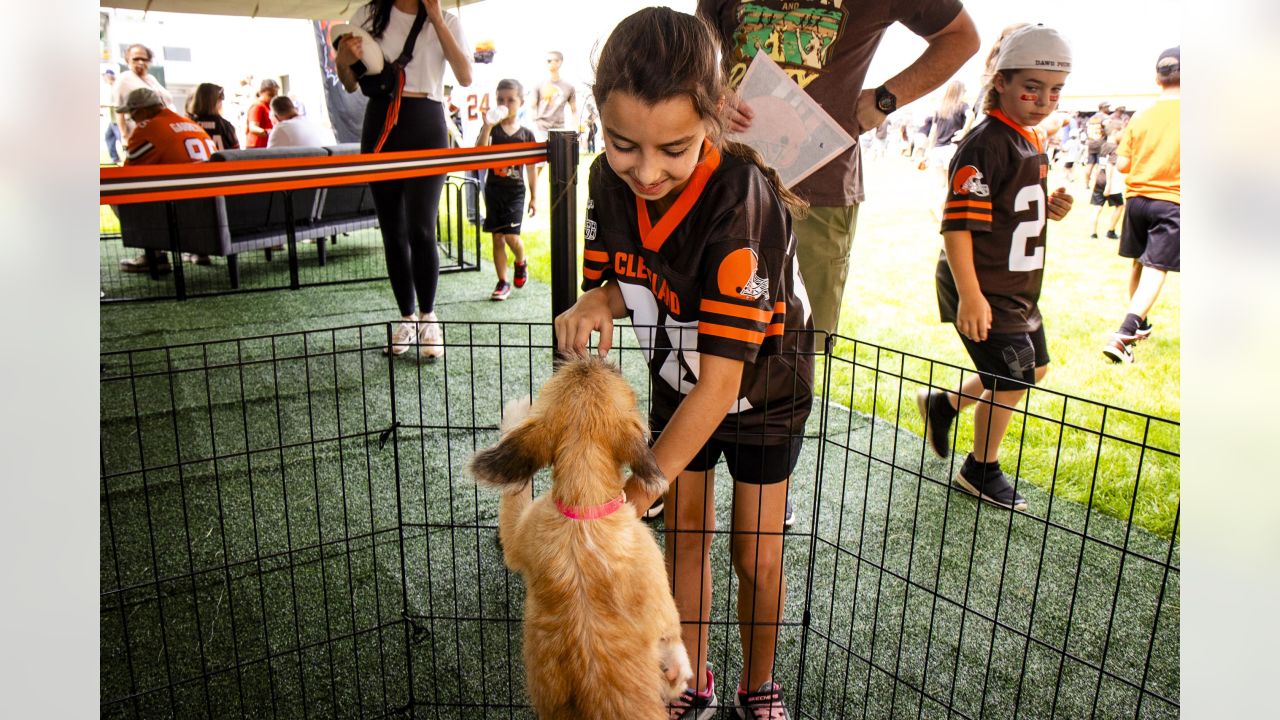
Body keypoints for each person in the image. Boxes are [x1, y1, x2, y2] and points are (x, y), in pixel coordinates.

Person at [554, 9, 814, 719]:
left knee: (755, 555)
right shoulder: (608, 185)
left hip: (760, 393)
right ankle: (687, 682)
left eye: (672, 148)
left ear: (714, 116)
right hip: (677, 378)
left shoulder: (740, 201)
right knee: (688, 537)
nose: (645, 170)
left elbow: (725, 381)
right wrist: (596, 301)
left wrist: (638, 491)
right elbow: (631, 277)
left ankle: (758, 687)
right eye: (621, 144)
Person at [698, 0, 979, 338]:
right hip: (724, 175)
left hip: (817, 188)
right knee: (710, 324)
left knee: (800, 338)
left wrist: (886, 99)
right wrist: (712, 90)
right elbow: (697, 49)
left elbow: (961, 36)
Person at [916, 25, 1075, 513]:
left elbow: (1006, 204)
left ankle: (943, 405)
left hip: (1016, 285)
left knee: (1034, 368)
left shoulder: (1026, 137)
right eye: (1032, 87)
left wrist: (1048, 205)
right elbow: (958, 227)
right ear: (1001, 81)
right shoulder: (987, 142)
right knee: (1011, 378)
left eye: (1055, 90)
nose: (1044, 99)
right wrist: (971, 294)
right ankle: (980, 469)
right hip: (986, 283)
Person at [335, 0, 472, 358]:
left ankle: (429, 316)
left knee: (422, 227)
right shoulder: (367, 14)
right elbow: (350, 83)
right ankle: (407, 318)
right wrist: (343, 61)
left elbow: (465, 76)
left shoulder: (448, 19)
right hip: (381, 123)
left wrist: (438, 18)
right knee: (392, 230)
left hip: (427, 119)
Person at [1102, 47, 1180, 364]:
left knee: (1138, 262)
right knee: (1155, 266)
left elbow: (1122, 164)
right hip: (1172, 201)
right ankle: (1126, 332)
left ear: (1156, 78)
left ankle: (1142, 323)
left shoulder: (1142, 115)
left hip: (1137, 200)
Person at [116, 88, 219, 274]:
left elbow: (128, 175)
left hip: (181, 211)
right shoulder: (190, 124)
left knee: (116, 194)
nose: (132, 119)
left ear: (143, 110)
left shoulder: (148, 128)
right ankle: (198, 250)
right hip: (213, 209)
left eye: (132, 114)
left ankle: (154, 255)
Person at [477, 79, 536, 301]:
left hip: (515, 192)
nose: (505, 103)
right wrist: (487, 125)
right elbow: (479, 153)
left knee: (511, 237)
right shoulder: (492, 131)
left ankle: (521, 260)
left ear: (520, 102)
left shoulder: (526, 134)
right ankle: (502, 282)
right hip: (494, 190)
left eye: (511, 99)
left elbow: (531, 168)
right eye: (501, 99)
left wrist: (534, 197)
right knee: (497, 238)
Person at [113, 44, 174, 147]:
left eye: (144, 59)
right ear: (128, 61)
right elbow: (119, 110)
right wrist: (124, 136)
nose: (140, 62)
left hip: (163, 129)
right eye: (135, 59)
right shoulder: (124, 79)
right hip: (140, 131)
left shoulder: (151, 78)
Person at [917, 80, 969, 189]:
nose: (965, 93)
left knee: (941, 182)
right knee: (951, 182)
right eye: (964, 91)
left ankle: (941, 204)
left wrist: (928, 151)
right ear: (959, 92)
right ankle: (945, 205)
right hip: (952, 148)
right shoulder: (962, 106)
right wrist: (964, 130)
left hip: (937, 149)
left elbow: (933, 132)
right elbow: (971, 115)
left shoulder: (940, 108)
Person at [1089, 129, 1124, 240]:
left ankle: (1093, 233)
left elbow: (1100, 163)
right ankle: (1111, 231)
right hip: (1110, 181)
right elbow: (1110, 165)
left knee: (1097, 207)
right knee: (1120, 205)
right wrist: (1109, 184)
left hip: (1100, 177)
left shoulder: (1103, 146)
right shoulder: (1115, 148)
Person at [267, 95, 337, 147]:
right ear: (295, 108)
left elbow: (268, 159)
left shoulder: (280, 129)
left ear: (276, 117)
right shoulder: (315, 123)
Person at [187, 83, 240, 151]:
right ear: (216, 101)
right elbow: (236, 152)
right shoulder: (225, 126)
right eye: (221, 98)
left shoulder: (188, 124)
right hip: (221, 160)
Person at [245, 78, 279, 148]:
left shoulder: (269, 105)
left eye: (276, 95)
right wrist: (270, 132)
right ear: (261, 93)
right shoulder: (258, 106)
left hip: (265, 146)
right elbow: (253, 127)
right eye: (271, 95)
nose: (274, 97)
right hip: (256, 147)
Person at [101, 68, 122, 164]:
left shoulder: (117, 87)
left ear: (109, 76)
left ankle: (132, 159)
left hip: (119, 120)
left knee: (122, 139)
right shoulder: (110, 88)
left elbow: (118, 104)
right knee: (108, 137)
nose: (104, 78)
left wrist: (104, 105)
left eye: (105, 76)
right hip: (113, 120)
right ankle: (115, 159)